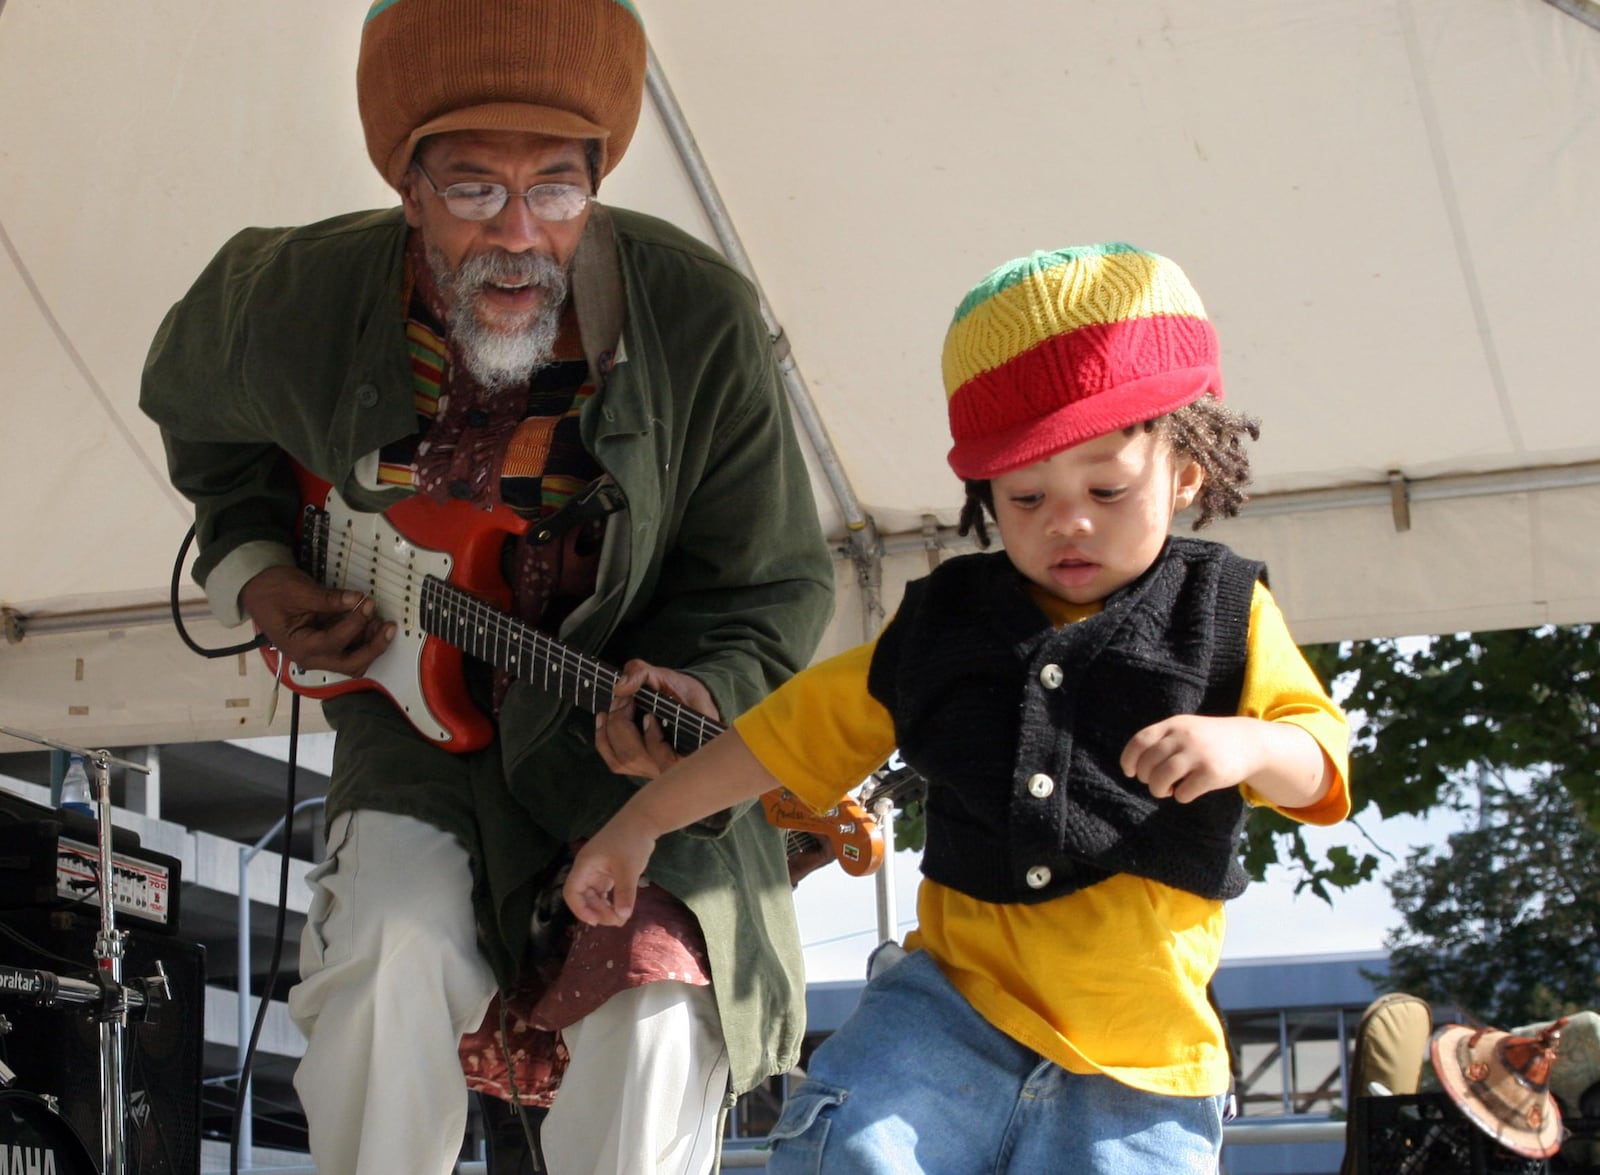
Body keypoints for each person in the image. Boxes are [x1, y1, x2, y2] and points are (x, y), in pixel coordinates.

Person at [139, 2, 834, 1172]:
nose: (519, 233)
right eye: (472, 190)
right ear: (408, 190)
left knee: (660, 1010)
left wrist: (703, 692)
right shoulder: (288, 297)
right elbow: (195, 414)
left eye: (555, 189)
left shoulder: (699, 317)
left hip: (629, 755)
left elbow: (766, 583)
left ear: (596, 183)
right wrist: (257, 567)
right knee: (382, 965)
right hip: (419, 732)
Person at [565, 243, 1354, 1173]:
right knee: (850, 1152)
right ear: (984, 495)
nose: (1069, 521)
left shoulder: (1224, 612)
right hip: (950, 1013)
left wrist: (1249, 742)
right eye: (1026, 496)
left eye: (1107, 488)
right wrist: (641, 821)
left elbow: (1318, 758)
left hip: (1140, 1060)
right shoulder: (944, 622)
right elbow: (787, 734)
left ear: (1185, 469)